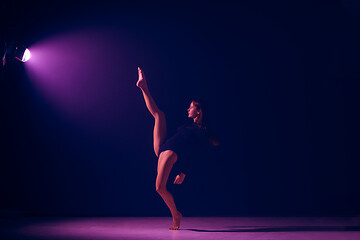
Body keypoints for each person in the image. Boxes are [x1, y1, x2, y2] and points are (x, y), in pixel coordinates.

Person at [136, 67, 218, 230]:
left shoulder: (200, 131)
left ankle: (176, 215)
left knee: (159, 187)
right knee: (159, 115)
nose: (188, 109)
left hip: (171, 153)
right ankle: (143, 87)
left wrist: (183, 172)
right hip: (162, 147)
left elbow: (194, 151)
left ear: (199, 111)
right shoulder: (189, 126)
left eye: (191, 107)